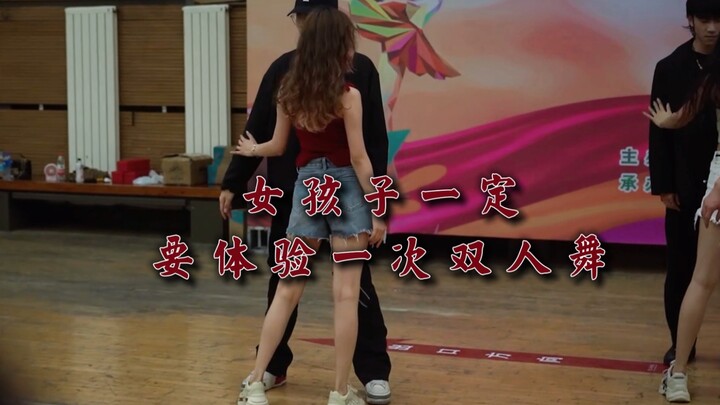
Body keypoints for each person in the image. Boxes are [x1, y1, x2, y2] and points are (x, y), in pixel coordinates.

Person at [220, 1, 392, 404]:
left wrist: (251, 151)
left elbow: (273, 143)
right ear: (341, 42)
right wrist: (379, 207)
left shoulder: (290, 88)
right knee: (346, 293)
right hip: (345, 191)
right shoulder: (347, 93)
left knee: (287, 288)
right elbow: (360, 157)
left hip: (305, 188)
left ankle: (256, 381)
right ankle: (338, 391)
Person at [645, 8, 720, 402]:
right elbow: (670, 123)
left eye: (718, 19)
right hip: (692, 184)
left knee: (702, 278)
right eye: (705, 19)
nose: (712, 28)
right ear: (691, 19)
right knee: (687, 272)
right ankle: (681, 351)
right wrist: (665, 185)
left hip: (715, 181)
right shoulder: (671, 67)